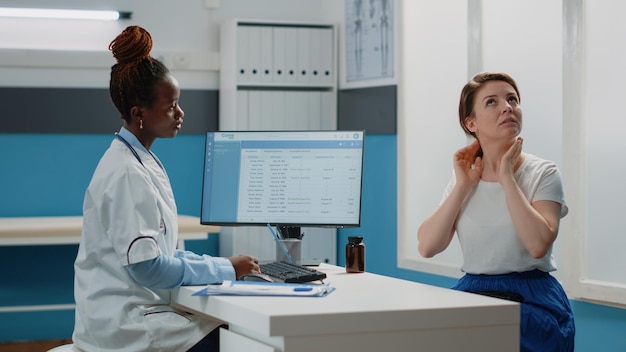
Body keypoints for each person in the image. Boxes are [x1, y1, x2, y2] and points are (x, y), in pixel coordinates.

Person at [72, 25, 260, 352]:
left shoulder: (139, 160)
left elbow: (162, 254)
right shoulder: (126, 172)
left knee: (238, 333)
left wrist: (224, 265)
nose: (180, 113)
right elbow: (148, 267)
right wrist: (226, 268)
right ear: (138, 114)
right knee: (242, 341)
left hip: (141, 312)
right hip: (126, 324)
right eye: (171, 105)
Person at [417, 72, 575, 351]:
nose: (507, 107)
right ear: (471, 123)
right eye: (492, 102)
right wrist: (463, 186)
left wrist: (507, 178)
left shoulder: (543, 172)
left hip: (532, 300)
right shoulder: (464, 177)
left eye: (512, 99)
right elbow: (428, 246)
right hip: (473, 292)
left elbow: (538, 244)